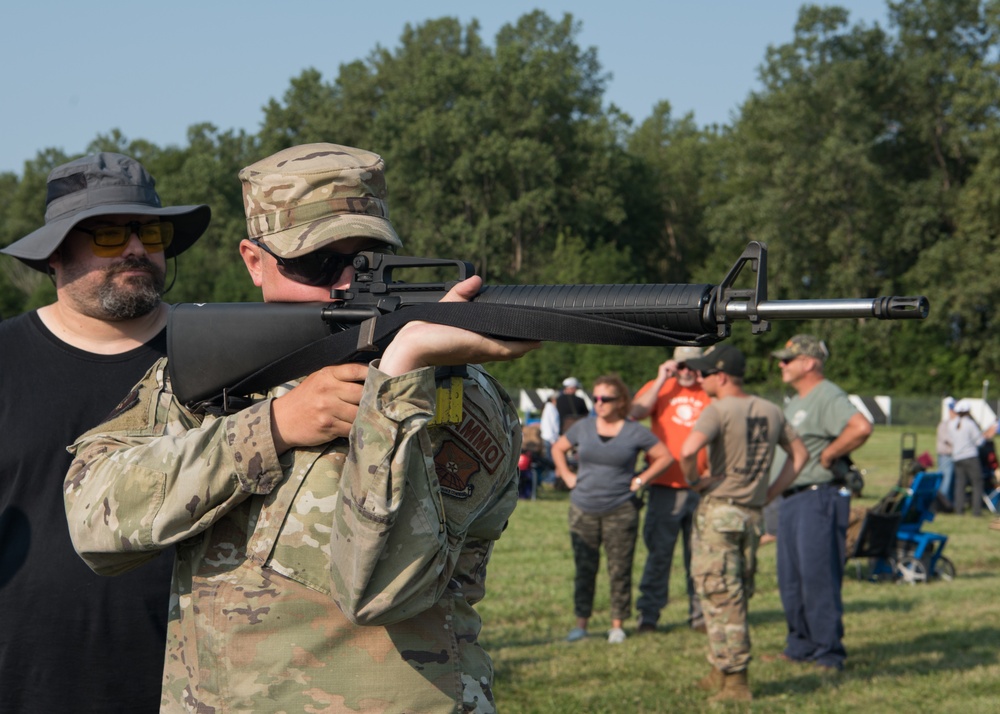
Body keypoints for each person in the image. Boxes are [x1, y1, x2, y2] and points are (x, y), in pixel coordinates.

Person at [63, 143, 538, 713]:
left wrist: (400, 382)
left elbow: (381, 590)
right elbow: (94, 521)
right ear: (253, 261)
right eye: (315, 263)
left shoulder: (457, 396)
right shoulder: (209, 377)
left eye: (367, 261)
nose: (343, 283)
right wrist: (271, 427)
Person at [0, 152, 210, 712]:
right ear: (55, 254)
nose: (138, 248)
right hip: (26, 683)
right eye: (111, 234)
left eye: (151, 231)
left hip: (196, 683)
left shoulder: (224, 356)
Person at [678, 343, 807, 703]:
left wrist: (693, 481)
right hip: (751, 514)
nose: (699, 379)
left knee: (720, 593)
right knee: (735, 592)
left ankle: (735, 682)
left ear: (721, 376)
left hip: (720, 513)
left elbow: (688, 451)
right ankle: (720, 666)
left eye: (704, 373)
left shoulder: (717, 410)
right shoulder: (771, 409)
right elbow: (800, 456)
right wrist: (770, 492)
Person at [769, 334, 872, 673]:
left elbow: (860, 427)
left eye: (788, 359)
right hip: (794, 499)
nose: (781, 364)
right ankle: (800, 646)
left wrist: (830, 453)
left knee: (818, 577)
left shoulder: (827, 394)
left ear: (810, 362)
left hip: (818, 496)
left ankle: (829, 652)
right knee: (791, 577)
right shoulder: (798, 400)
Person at [550, 374, 673, 645]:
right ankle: (581, 624)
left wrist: (641, 479)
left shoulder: (634, 431)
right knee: (584, 568)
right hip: (583, 509)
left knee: (619, 569)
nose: (599, 404)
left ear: (621, 402)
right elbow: (558, 448)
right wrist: (568, 476)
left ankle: (617, 625)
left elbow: (665, 456)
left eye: (606, 399)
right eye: (595, 398)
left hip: (621, 510)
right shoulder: (583, 427)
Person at [629, 345, 711, 634]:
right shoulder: (660, 386)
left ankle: (700, 615)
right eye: (681, 366)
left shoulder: (709, 387)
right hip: (665, 486)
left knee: (700, 556)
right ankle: (648, 615)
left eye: (692, 365)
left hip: (702, 486)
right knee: (659, 555)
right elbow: (634, 412)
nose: (686, 372)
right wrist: (662, 378)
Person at [948, 399, 994, 516]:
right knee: (977, 483)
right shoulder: (970, 424)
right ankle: (976, 511)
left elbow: (951, 440)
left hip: (957, 458)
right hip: (970, 457)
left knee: (960, 484)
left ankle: (959, 510)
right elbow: (979, 442)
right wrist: (983, 436)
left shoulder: (952, 424)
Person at [936, 397, 956, 508]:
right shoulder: (944, 425)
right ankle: (941, 504)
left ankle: (948, 502)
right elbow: (948, 440)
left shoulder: (954, 424)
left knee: (951, 480)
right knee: (945, 481)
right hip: (945, 455)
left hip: (953, 455)